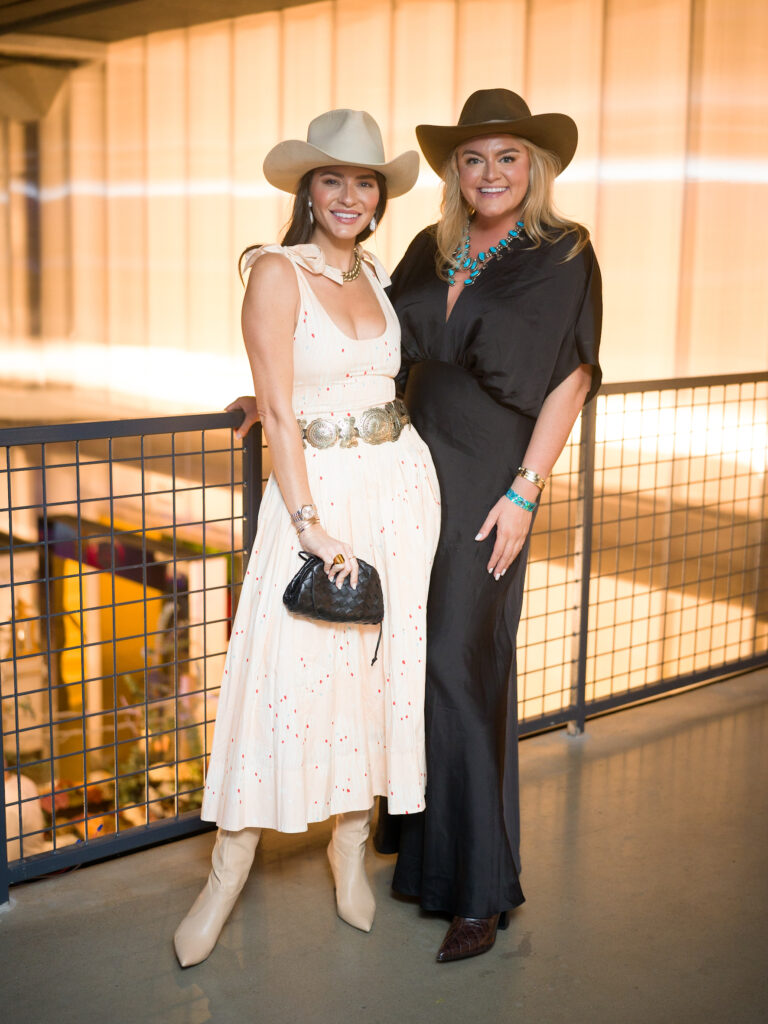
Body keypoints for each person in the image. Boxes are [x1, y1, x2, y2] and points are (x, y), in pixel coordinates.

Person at [173, 109, 440, 967]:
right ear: (308, 190)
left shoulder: (379, 277)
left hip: (399, 488)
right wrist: (308, 523)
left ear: (378, 197)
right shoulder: (275, 272)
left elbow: (380, 384)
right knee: (281, 676)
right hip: (314, 502)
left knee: (378, 677)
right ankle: (227, 873)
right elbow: (282, 408)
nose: (350, 195)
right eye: (334, 179)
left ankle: (349, 850)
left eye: (365, 182)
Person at [378, 88, 602, 962]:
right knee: (408, 655)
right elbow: (373, 347)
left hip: (489, 479)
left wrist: (526, 489)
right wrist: (273, 394)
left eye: (508, 156)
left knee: (457, 661)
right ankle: (423, 860)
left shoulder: (563, 252)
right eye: (474, 159)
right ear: (454, 173)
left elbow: (571, 378)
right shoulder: (424, 250)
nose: (491, 172)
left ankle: (479, 887)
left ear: (534, 167)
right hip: (407, 466)